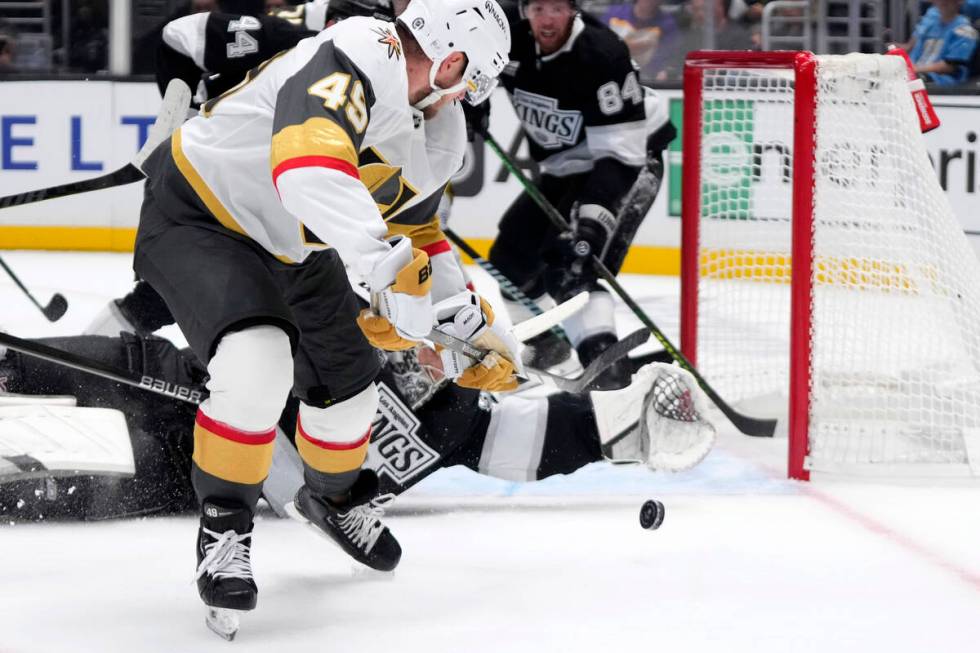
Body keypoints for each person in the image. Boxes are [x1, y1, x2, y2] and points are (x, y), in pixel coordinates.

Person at [130, 0, 512, 632]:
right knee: (257, 364)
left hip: (292, 246)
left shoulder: (434, 128)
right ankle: (225, 526)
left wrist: (463, 323)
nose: (466, 97)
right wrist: (384, 276)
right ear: (451, 61)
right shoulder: (360, 48)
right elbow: (307, 167)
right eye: (471, 81)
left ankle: (335, 498)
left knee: (351, 390)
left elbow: (417, 230)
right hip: (200, 213)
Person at [0, 332, 715, 522]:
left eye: (440, 360)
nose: (422, 362)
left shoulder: (459, 422)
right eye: (420, 348)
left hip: (200, 466)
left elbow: (543, 439)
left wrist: (631, 420)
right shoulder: (352, 311)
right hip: (186, 380)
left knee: (63, 481)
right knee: (51, 362)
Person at [484, 0, 675, 389]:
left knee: (572, 266)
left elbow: (620, 157)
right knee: (509, 261)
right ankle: (547, 343)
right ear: (524, 11)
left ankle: (609, 376)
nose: (547, 19)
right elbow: (465, 68)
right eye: (538, 8)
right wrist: (470, 104)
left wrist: (591, 228)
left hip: (630, 159)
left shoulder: (600, 53)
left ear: (573, 10)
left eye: (557, 8)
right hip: (565, 165)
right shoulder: (502, 36)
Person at [601, 0, 680, 82]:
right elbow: (600, 45)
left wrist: (661, 72)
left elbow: (665, 57)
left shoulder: (668, 24)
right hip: (611, 75)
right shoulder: (614, 14)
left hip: (647, 79)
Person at [903, 0, 978, 86]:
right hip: (915, 75)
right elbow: (914, 55)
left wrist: (913, 69)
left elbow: (948, 67)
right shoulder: (929, 27)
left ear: (959, 2)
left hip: (942, 83)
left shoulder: (965, 30)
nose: (943, 2)